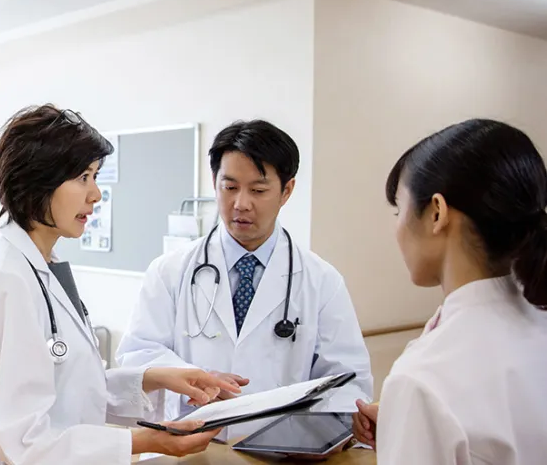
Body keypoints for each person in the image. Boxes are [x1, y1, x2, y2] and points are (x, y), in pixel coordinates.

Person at [0, 104, 241, 464]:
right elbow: (24, 441)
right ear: (37, 180)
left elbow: (73, 391)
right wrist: (145, 442)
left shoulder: (43, 268)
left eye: (95, 177)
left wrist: (157, 377)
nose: (96, 194)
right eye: (83, 177)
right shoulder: (7, 280)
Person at [116, 119, 373, 439]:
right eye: (230, 187)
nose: (241, 204)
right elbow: (137, 354)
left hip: (282, 451)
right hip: (190, 443)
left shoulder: (321, 281)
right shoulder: (169, 271)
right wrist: (193, 378)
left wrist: (321, 432)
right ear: (214, 182)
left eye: (258, 190)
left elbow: (347, 381)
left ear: (287, 190)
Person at [351, 119, 547, 464]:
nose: (397, 228)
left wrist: (413, 430)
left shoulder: (424, 380)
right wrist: (409, 434)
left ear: (437, 213)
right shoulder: (535, 323)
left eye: (400, 209)